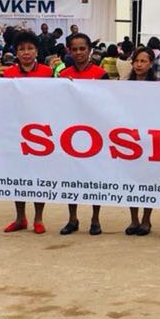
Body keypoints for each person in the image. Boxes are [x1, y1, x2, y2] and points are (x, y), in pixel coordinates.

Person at [1, 33, 53, 234]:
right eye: (21, 49)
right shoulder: (8, 73)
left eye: (30, 48)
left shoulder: (48, 72)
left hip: (40, 131)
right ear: (16, 52)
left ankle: (38, 218)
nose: (26, 53)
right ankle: (20, 217)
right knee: (18, 175)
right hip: (15, 130)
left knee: (39, 175)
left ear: (37, 51)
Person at [58, 32, 107, 235]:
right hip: (70, 133)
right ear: (69, 50)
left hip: (95, 132)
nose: (79, 53)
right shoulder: (62, 75)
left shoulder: (101, 73)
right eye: (75, 49)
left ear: (89, 50)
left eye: (82, 49)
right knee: (71, 177)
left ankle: (95, 219)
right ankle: (72, 218)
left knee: (95, 177)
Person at [122, 47, 156, 236]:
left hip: (150, 139)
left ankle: (146, 219)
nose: (139, 64)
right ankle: (134, 219)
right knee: (132, 180)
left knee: (147, 180)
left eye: (144, 61)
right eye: (137, 61)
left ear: (150, 63)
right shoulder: (124, 85)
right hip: (129, 139)